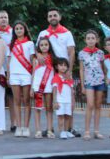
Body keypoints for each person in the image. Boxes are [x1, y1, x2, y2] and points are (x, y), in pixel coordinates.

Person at [37, 8, 79, 137]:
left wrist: (69, 70)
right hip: (49, 70)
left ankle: (69, 128)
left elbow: (71, 52)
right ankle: (50, 128)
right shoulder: (43, 33)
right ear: (47, 18)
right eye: (50, 16)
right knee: (50, 99)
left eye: (55, 15)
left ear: (59, 17)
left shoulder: (67, 33)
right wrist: (38, 55)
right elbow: (38, 49)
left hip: (64, 70)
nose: (52, 17)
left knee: (67, 99)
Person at [8, 21, 35, 137]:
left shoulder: (30, 44)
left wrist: (33, 76)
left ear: (25, 30)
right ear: (14, 31)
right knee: (17, 101)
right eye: (17, 29)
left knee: (27, 101)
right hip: (14, 75)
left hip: (26, 75)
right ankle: (19, 127)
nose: (19, 30)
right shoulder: (11, 44)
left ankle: (26, 127)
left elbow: (33, 61)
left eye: (21, 28)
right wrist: (8, 75)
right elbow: (9, 61)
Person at [78, 30, 107, 140]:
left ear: (96, 40)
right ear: (85, 40)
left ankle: (96, 131)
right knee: (90, 105)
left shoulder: (100, 53)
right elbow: (81, 70)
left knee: (98, 105)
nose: (90, 40)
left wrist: (106, 78)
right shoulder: (81, 53)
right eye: (88, 38)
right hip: (89, 82)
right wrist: (82, 85)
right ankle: (86, 131)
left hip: (100, 81)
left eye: (92, 38)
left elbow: (103, 68)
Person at [0, 10, 16, 132]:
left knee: (11, 98)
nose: (3, 19)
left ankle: (13, 123)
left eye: (5, 17)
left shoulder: (14, 32)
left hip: (11, 68)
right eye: (1, 17)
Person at [31, 37, 56, 139]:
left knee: (49, 108)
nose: (44, 47)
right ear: (39, 47)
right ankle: (38, 130)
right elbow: (33, 73)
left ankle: (49, 130)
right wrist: (31, 88)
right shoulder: (36, 59)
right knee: (37, 108)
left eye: (46, 44)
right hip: (38, 86)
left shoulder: (53, 58)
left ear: (49, 46)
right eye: (41, 45)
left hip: (49, 86)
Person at [52, 57, 74, 139]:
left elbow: (72, 91)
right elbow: (54, 90)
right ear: (57, 67)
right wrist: (55, 101)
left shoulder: (69, 78)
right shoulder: (56, 77)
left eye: (65, 65)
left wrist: (73, 101)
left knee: (67, 116)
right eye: (61, 65)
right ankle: (61, 131)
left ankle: (66, 131)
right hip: (60, 101)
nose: (63, 67)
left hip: (68, 101)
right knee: (60, 116)